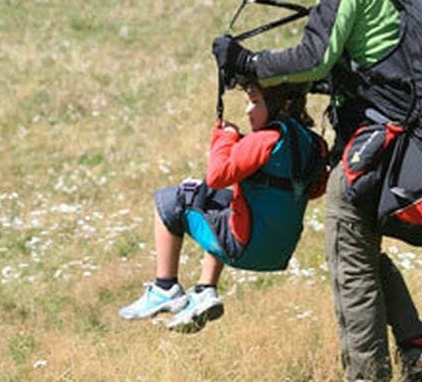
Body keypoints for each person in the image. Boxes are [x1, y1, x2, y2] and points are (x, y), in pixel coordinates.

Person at [212, 0, 422, 382]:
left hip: (372, 145)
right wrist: (261, 74)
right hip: (412, 141)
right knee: (363, 254)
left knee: (349, 261)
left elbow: (314, 58)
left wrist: (248, 62)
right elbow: (359, 68)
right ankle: (420, 358)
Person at [119, 81, 328, 333]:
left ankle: (165, 287)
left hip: (242, 247)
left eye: (255, 102)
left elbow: (216, 175)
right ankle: (205, 291)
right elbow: (316, 190)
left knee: (170, 200)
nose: (249, 111)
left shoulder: (264, 139)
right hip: (278, 251)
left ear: (281, 105)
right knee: (223, 202)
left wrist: (226, 137)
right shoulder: (314, 144)